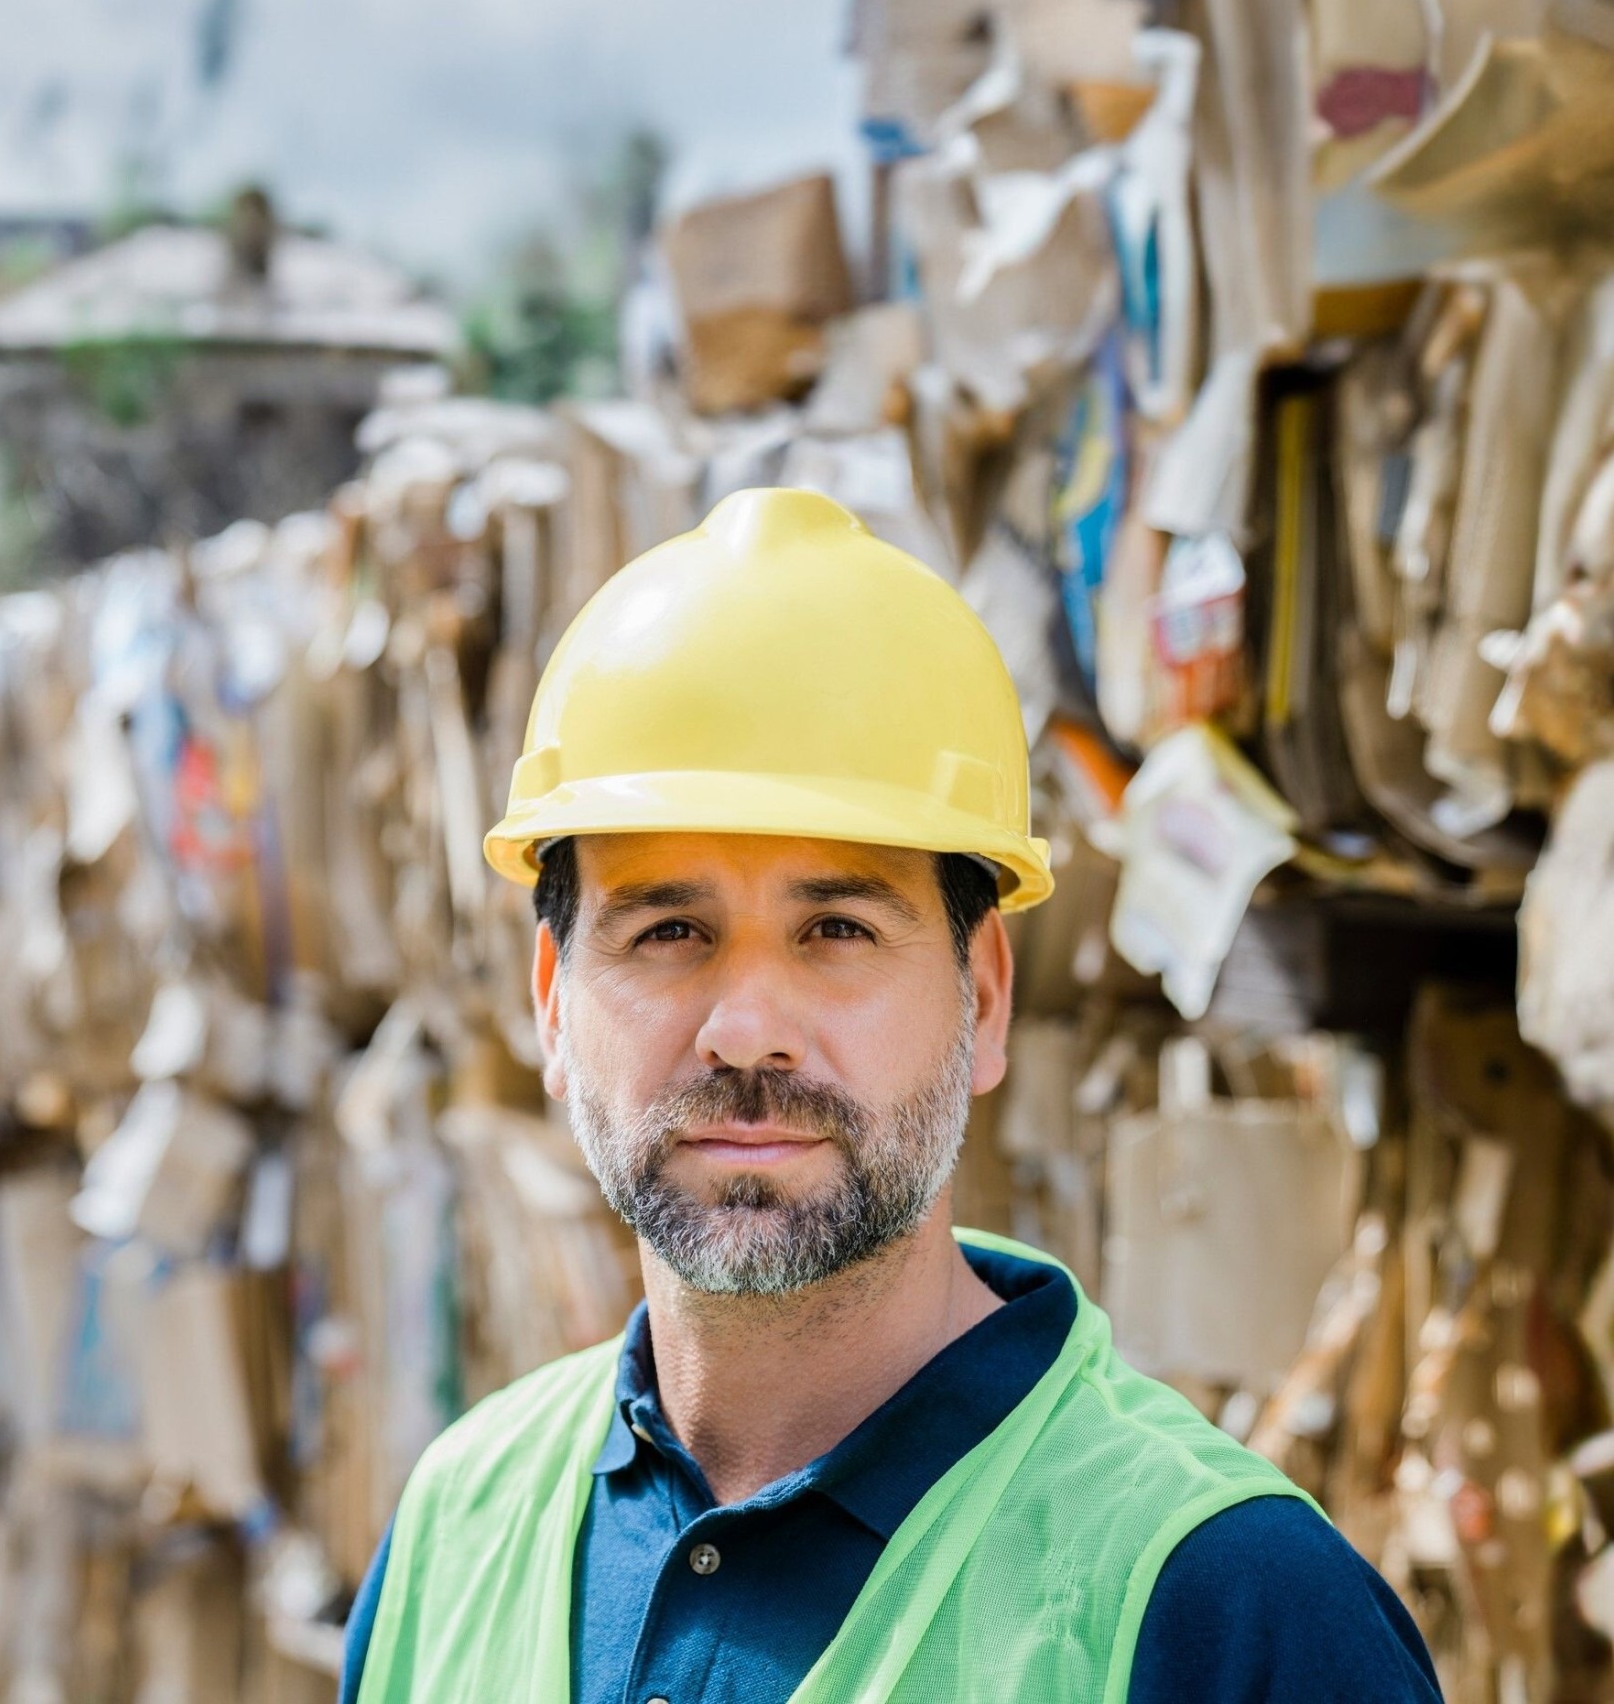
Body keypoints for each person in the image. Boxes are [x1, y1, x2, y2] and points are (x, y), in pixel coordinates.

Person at [338, 490, 1438, 1703]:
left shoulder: (1227, 1611)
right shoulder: (457, 1528)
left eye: (837, 929)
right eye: (667, 930)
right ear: (551, 1000)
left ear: (984, 998)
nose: (745, 1029)